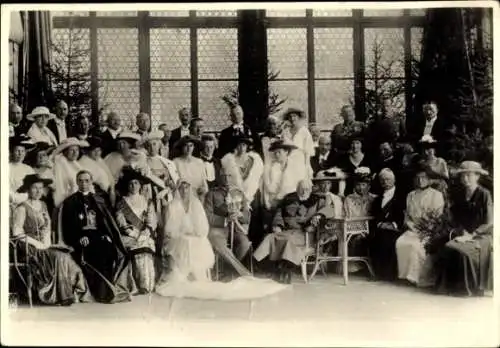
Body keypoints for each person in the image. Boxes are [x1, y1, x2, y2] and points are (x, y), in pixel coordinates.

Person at [156, 180, 287, 301]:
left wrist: (239, 215)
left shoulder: (239, 192)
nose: (227, 179)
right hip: (218, 230)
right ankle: (242, 273)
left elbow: (247, 216)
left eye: (230, 175)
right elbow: (207, 217)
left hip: (236, 230)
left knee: (245, 244)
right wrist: (225, 220)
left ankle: (231, 272)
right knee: (219, 246)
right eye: (225, 175)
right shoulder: (211, 194)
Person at [11, 174, 92, 306]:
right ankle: (61, 296)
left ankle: (74, 292)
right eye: (34, 188)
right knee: (59, 257)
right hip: (27, 247)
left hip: (43, 244)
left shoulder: (43, 205)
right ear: (27, 189)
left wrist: (46, 240)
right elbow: (17, 233)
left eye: (40, 188)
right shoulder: (21, 208)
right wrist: (38, 244)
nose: (38, 191)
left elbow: (47, 229)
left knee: (66, 255)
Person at [58, 170, 136, 303]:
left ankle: (110, 288)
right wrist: (78, 238)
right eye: (81, 180)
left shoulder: (99, 200)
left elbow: (105, 223)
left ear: (91, 182)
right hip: (81, 238)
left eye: (87, 180)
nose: (84, 183)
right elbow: (68, 226)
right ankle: (102, 293)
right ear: (77, 182)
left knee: (112, 250)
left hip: (99, 235)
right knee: (95, 253)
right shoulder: (70, 202)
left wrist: (107, 235)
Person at [435, 161, 493, 296]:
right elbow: (455, 218)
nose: (465, 179)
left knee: (463, 251)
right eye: (462, 176)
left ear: (477, 176)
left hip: (483, 235)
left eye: (469, 175)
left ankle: (469, 289)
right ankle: (450, 287)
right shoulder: (459, 195)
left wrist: (472, 234)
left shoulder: (485, 194)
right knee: (448, 246)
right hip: (464, 233)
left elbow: (489, 222)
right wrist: (461, 231)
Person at [254, 180, 321, 284]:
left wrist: (315, 221)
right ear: (297, 189)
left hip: (304, 234)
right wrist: (277, 225)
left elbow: (324, 213)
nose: (303, 192)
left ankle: (285, 271)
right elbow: (279, 213)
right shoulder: (289, 198)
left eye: (306, 189)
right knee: (271, 237)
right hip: (287, 230)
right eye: (301, 189)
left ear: (311, 190)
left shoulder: (316, 200)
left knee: (287, 241)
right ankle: (267, 266)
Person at [395, 169, 445, 287]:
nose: (420, 180)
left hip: (429, 230)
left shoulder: (436, 195)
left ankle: (417, 277)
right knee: (400, 242)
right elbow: (407, 215)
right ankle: (405, 275)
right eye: (417, 178)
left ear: (429, 180)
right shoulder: (411, 195)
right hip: (413, 228)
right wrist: (411, 226)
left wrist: (427, 228)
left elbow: (438, 216)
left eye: (423, 178)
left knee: (415, 246)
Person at [115, 166, 161, 294]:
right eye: (130, 183)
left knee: (146, 247)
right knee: (134, 247)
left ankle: (147, 285)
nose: (133, 186)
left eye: (136, 183)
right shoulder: (122, 202)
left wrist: (145, 233)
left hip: (145, 234)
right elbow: (121, 222)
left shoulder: (147, 201)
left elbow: (151, 220)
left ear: (140, 185)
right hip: (128, 235)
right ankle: (134, 285)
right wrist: (134, 233)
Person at [368, 168, 405, 281]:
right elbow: (375, 215)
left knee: (387, 239)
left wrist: (392, 225)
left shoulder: (401, 196)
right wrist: (380, 224)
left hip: (397, 228)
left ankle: (389, 274)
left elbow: (403, 215)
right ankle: (378, 273)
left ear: (393, 180)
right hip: (381, 228)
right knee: (374, 238)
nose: (385, 182)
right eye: (382, 180)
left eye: (388, 179)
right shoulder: (378, 199)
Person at [342, 167, 376, 273]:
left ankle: (367, 266)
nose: (361, 188)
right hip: (351, 227)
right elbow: (346, 215)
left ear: (369, 186)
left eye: (363, 185)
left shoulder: (374, 199)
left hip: (369, 228)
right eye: (358, 184)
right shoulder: (349, 199)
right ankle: (353, 266)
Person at [220, 135, 264, 204]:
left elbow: (258, 179)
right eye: (238, 145)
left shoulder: (255, 160)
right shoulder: (229, 161)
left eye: (243, 145)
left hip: (252, 195)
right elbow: (226, 181)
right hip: (235, 197)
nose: (241, 148)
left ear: (247, 146)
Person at [78, 136, 116, 207]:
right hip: (96, 197)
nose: (97, 153)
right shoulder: (83, 163)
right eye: (94, 150)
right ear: (86, 151)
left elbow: (109, 176)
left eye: (99, 150)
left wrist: (112, 190)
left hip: (108, 193)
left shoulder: (98, 160)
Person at [52, 137, 90, 207]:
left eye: (77, 150)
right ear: (65, 152)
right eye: (71, 150)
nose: (75, 153)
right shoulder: (60, 164)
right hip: (68, 200)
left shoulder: (76, 164)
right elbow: (61, 188)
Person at [280, 107, 315, 180]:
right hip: (287, 160)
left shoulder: (304, 131)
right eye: (290, 116)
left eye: (294, 116)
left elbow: (308, 150)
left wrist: (307, 165)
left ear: (299, 117)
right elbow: (282, 146)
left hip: (300, 160)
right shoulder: (285, 131)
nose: (292, 118)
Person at [173, 135, 208, 201]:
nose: (188, 148)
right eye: (186, 145)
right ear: (182, 147)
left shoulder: (199, 162)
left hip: (197, 196)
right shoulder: (176, 162)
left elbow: (204, 184)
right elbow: (175, 183)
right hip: (181, 197)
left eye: (191, 145)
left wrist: (203, 189)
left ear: (194, 147)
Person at [25, 142, 56, 216]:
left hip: (48, 200)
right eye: (39, 156)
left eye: (44, 155)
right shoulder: (30, 170)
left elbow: (55, 187)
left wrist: (47, 182)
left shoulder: (50, 170)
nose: (41, 158)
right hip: (34, 200)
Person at [9, 135, 36, 207]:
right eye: (17, 151)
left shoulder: (29, 169)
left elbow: (32, 188)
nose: (20, 154)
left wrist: (24, 198)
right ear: (12, 152)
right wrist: (14, 199)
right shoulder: (7, 167)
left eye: (22, 151)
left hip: (26, 202)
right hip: (10, 201)